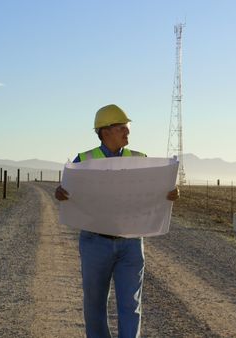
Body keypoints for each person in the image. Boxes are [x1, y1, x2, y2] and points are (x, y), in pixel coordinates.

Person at [55, 104, 179, 338]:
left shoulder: (141, 160)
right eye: (123, 128)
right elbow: (69, 193)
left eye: (128, 127)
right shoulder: (83, 160)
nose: (128, 132)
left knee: (131, 305)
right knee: (94, 305)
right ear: (105, 131)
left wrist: (172, 192)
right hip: (94, 243)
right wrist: (60, 193)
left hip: (131, 244)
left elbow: (159, 191)